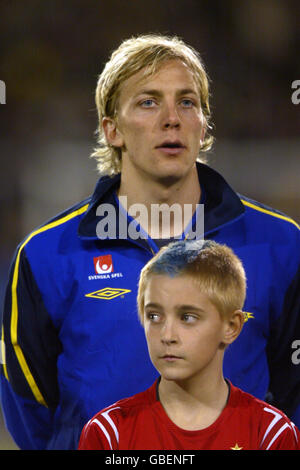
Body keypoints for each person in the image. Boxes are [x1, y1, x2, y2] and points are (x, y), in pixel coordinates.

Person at [1, 34, 299, 450]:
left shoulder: (282, 245)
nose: (171, 118)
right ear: (112, 129)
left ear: (204, 124)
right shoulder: (45, 254)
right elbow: (29, 407)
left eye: (187, 102)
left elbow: (293, 392)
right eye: (148, 102)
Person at [78, 240, 300, 450]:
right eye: (154, 316)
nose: (167, 335)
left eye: (187, 317)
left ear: (231, 326)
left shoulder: (270, 434)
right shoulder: (109, 434)